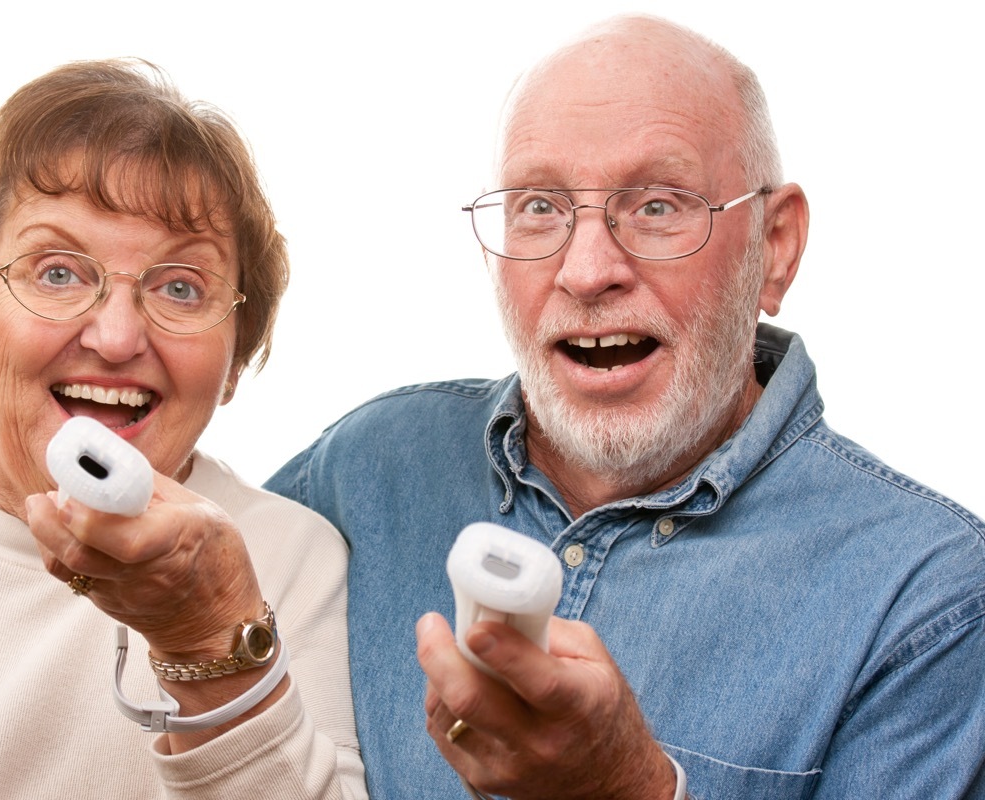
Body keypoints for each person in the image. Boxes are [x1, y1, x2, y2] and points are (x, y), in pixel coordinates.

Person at [266, 14, 985, 800]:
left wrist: (627, 789)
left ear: (774, 246)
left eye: (656, 205)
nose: (586, 270)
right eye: (539, 206)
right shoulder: (367, 469)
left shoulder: (931, 597)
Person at [0, 59, 366, 799]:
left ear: (234, 359)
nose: (118, 336)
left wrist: (212, 641)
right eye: (57, 272)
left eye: (181, 287)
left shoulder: (287, 562)